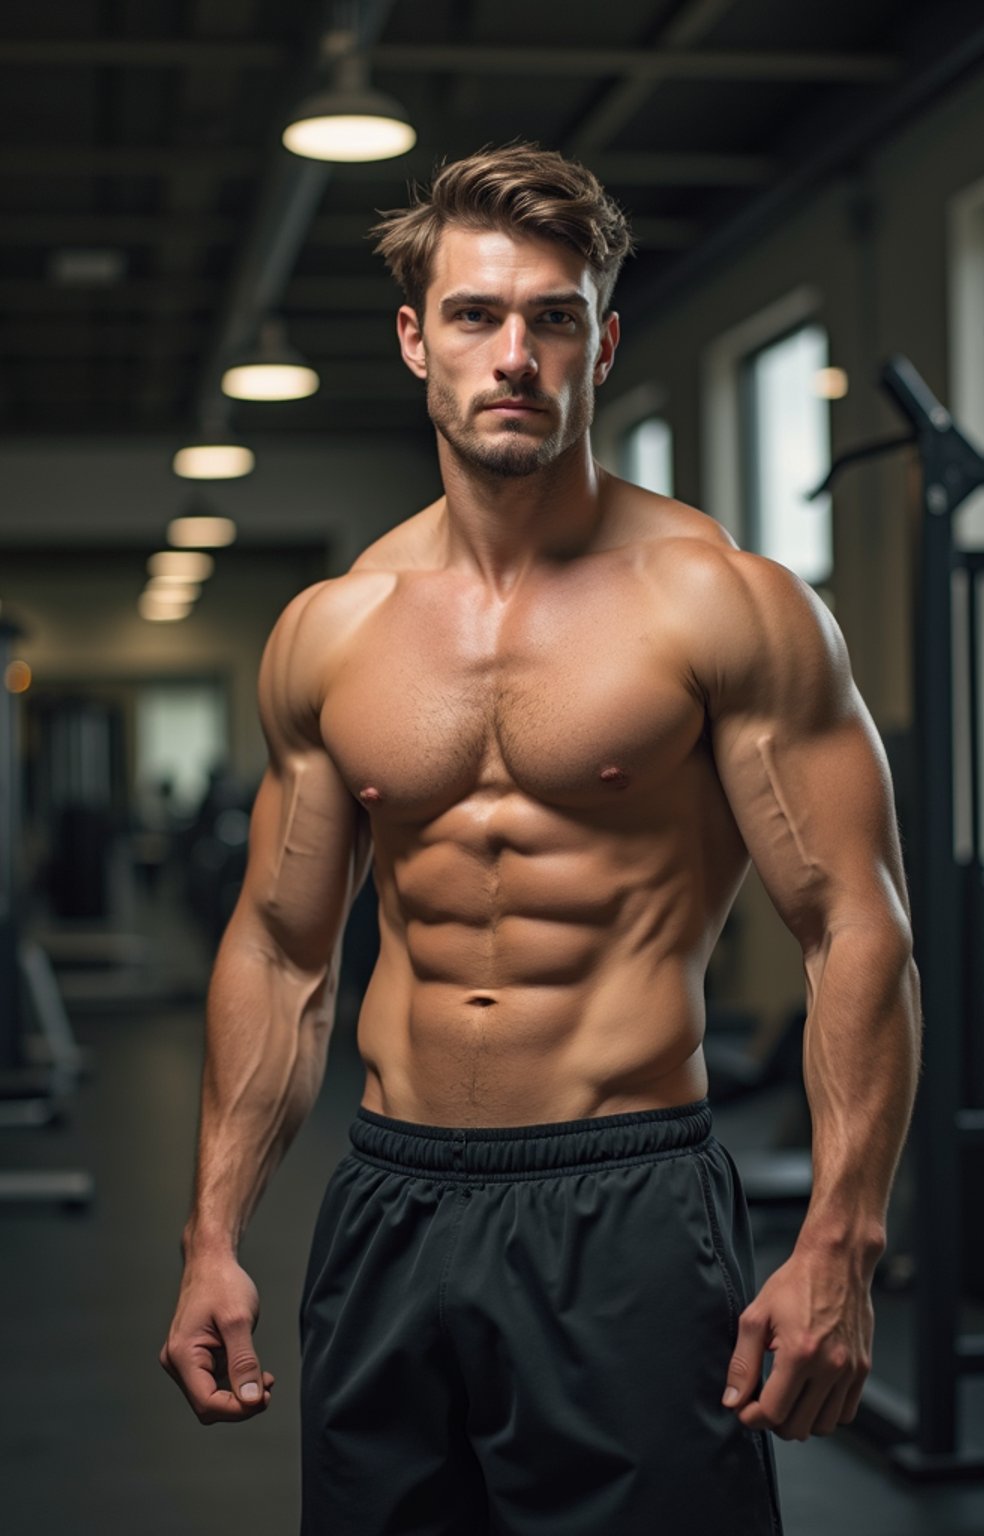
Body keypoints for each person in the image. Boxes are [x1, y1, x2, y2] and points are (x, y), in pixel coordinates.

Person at [160, 144, 922, 1534]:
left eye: (553, 317)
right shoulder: (332, 632)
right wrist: (212, 1236)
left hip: (623, 1204)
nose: (515, 354)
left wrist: (842, 1242)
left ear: (602, 341)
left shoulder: (724, 606)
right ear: (415, 340)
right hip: (390, 1200)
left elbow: (855, 927)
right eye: (475, 315)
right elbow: (279, 953)